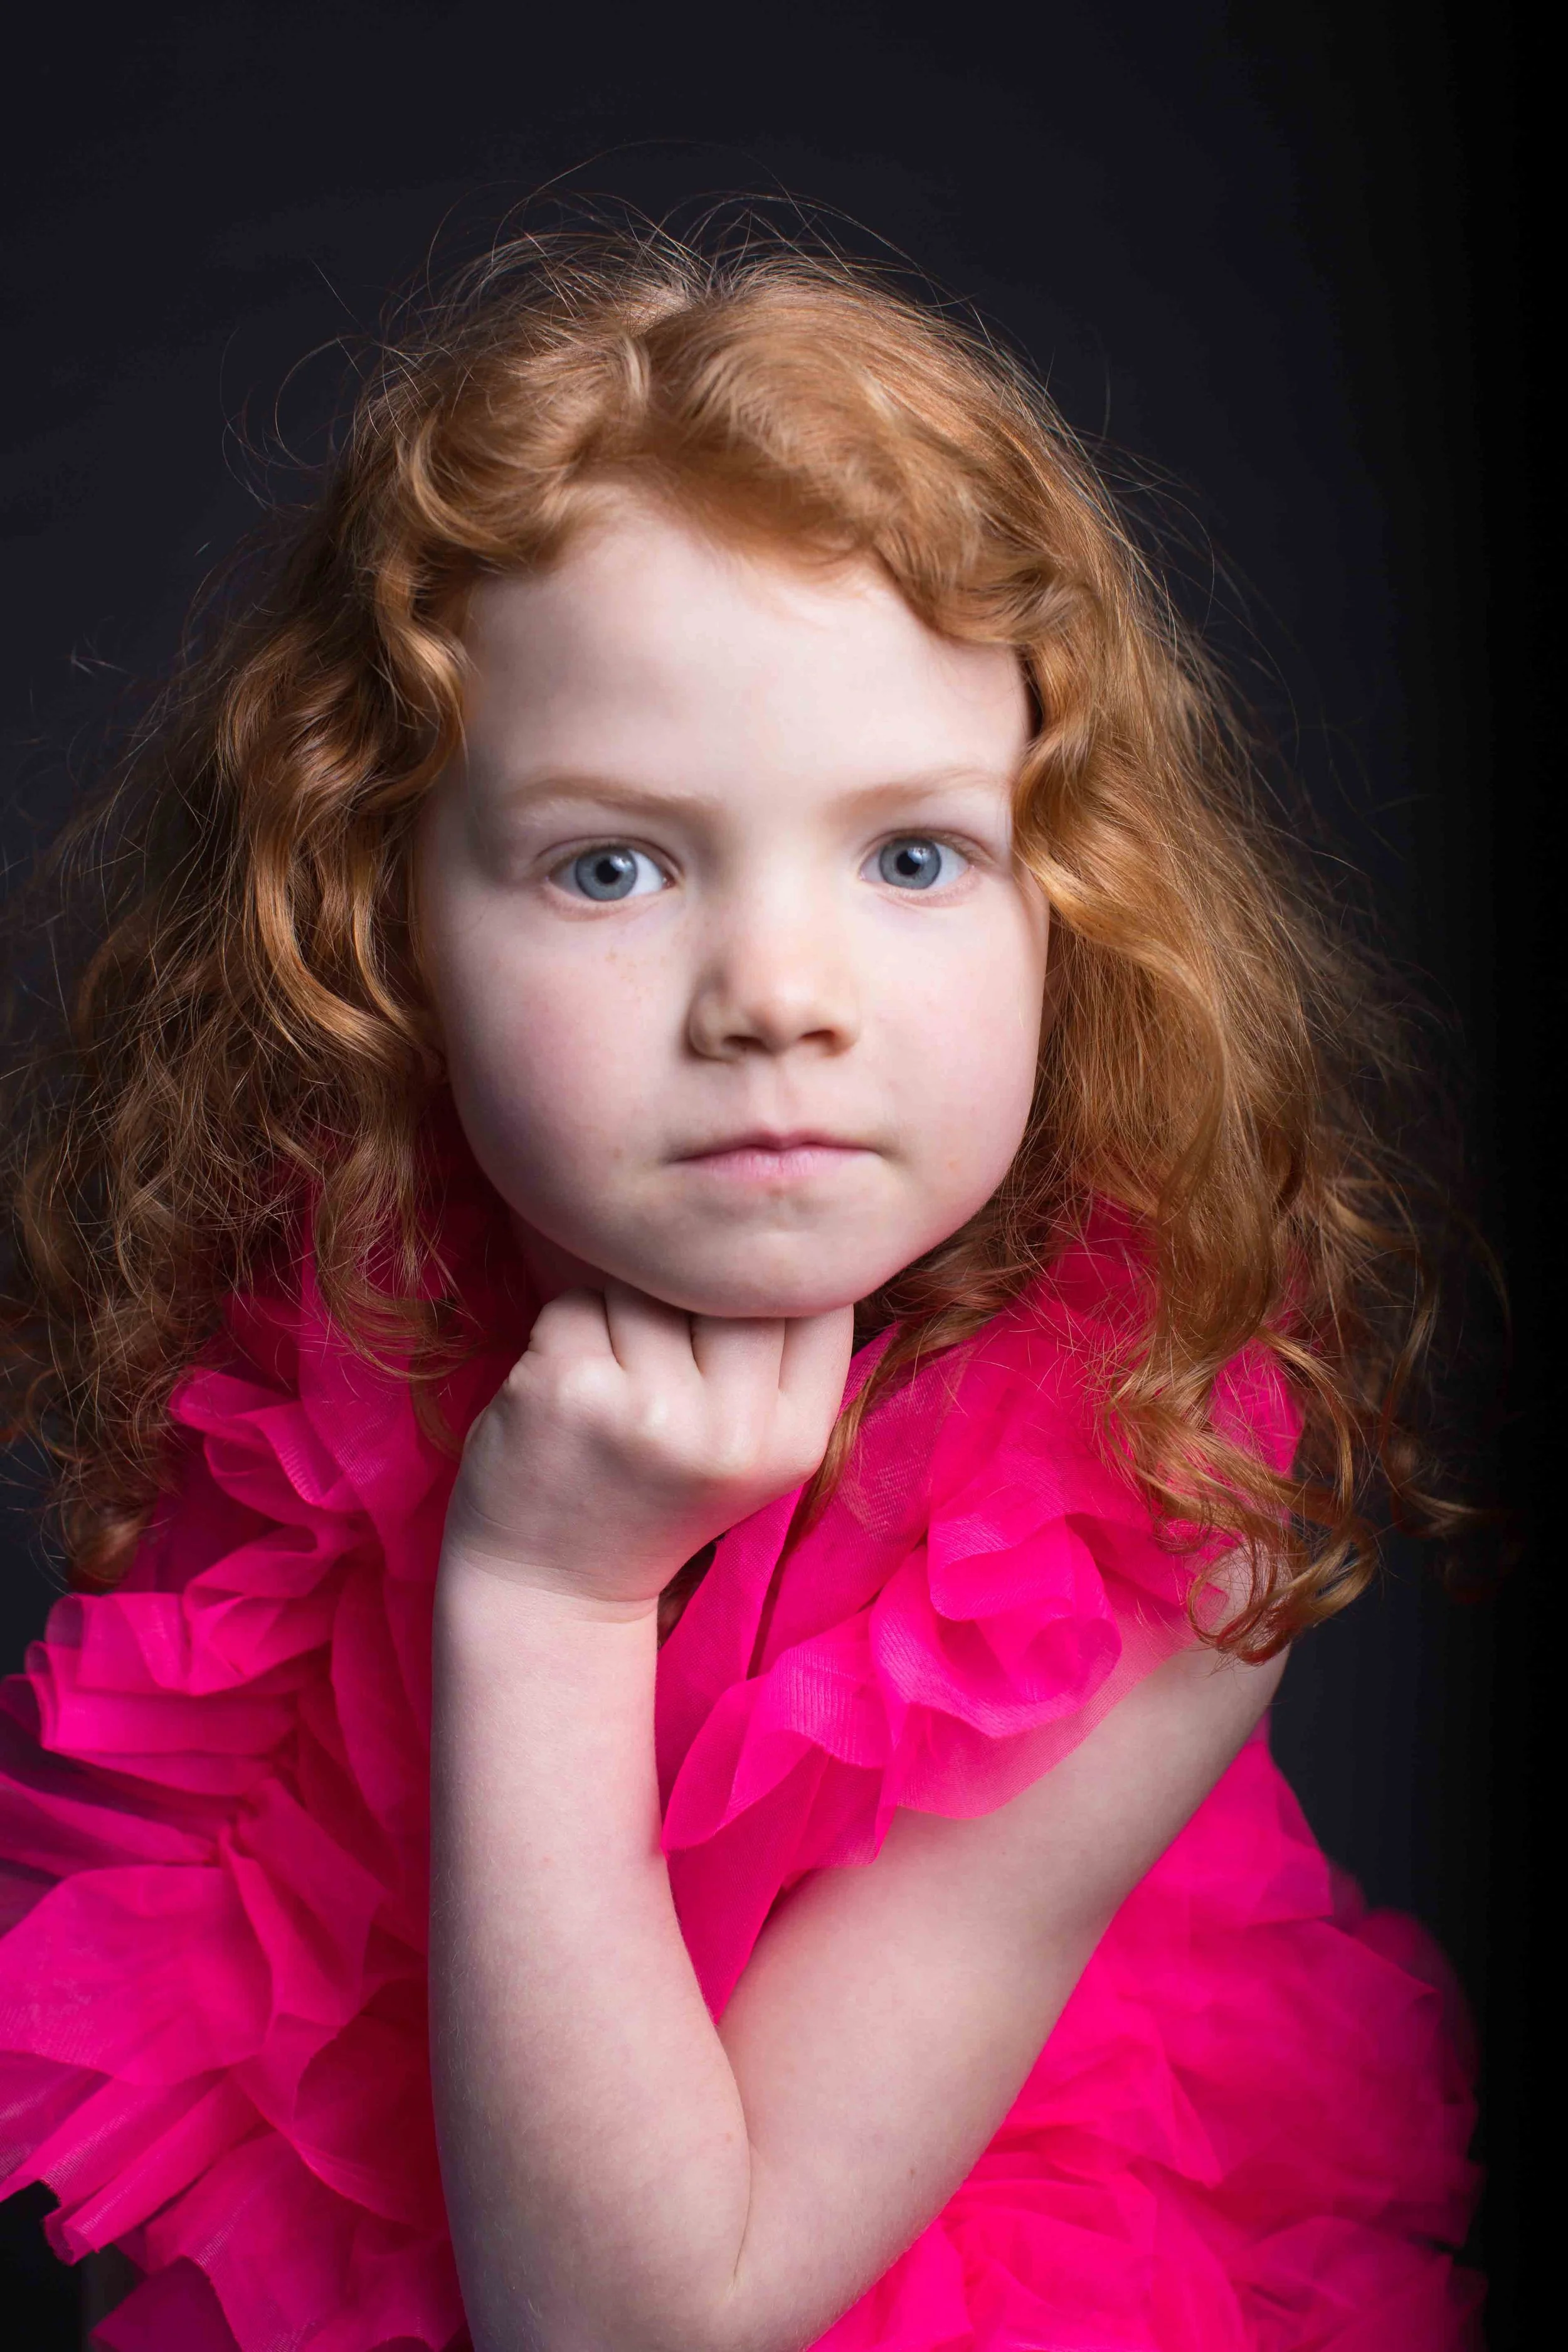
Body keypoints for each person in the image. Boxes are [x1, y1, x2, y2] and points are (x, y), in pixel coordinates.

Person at [0, 225, 1483, 2352]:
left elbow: (634, 2327)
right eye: (612, 863)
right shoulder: (321, 1326)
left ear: (1066, 901)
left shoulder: (1164, 1494)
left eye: (911, 855)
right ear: (380, 919)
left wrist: (550, 1597)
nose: (777, 999)